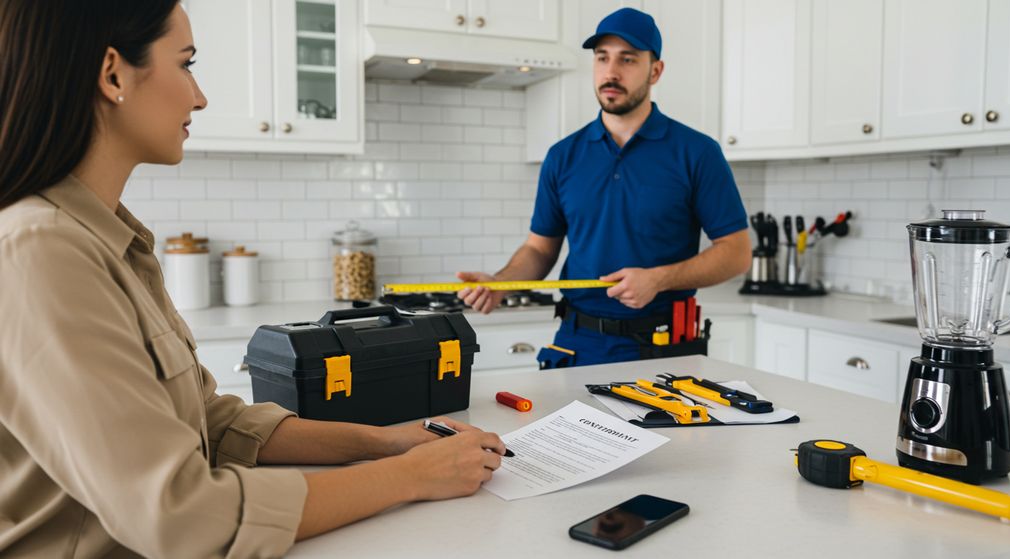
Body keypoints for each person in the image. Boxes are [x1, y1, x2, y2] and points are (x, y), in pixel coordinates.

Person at [0, 2, 505, 557]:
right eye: (186, 64)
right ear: (113, 73)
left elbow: (213, 425)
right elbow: (181, 516)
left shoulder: (108, 241)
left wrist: (384, 443)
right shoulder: (41, 251)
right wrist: (412, 476)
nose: (200, 96)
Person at [458, 8, 751, 368]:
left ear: (655, 71)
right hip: (577, 343)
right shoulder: (563, 155)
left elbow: (736, 252)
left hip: (662, 346)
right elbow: (539, 248)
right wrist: (500, 283)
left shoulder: (696, 152)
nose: (611, 72)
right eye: (602, 58)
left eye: (627, 59)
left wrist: (658, 279)